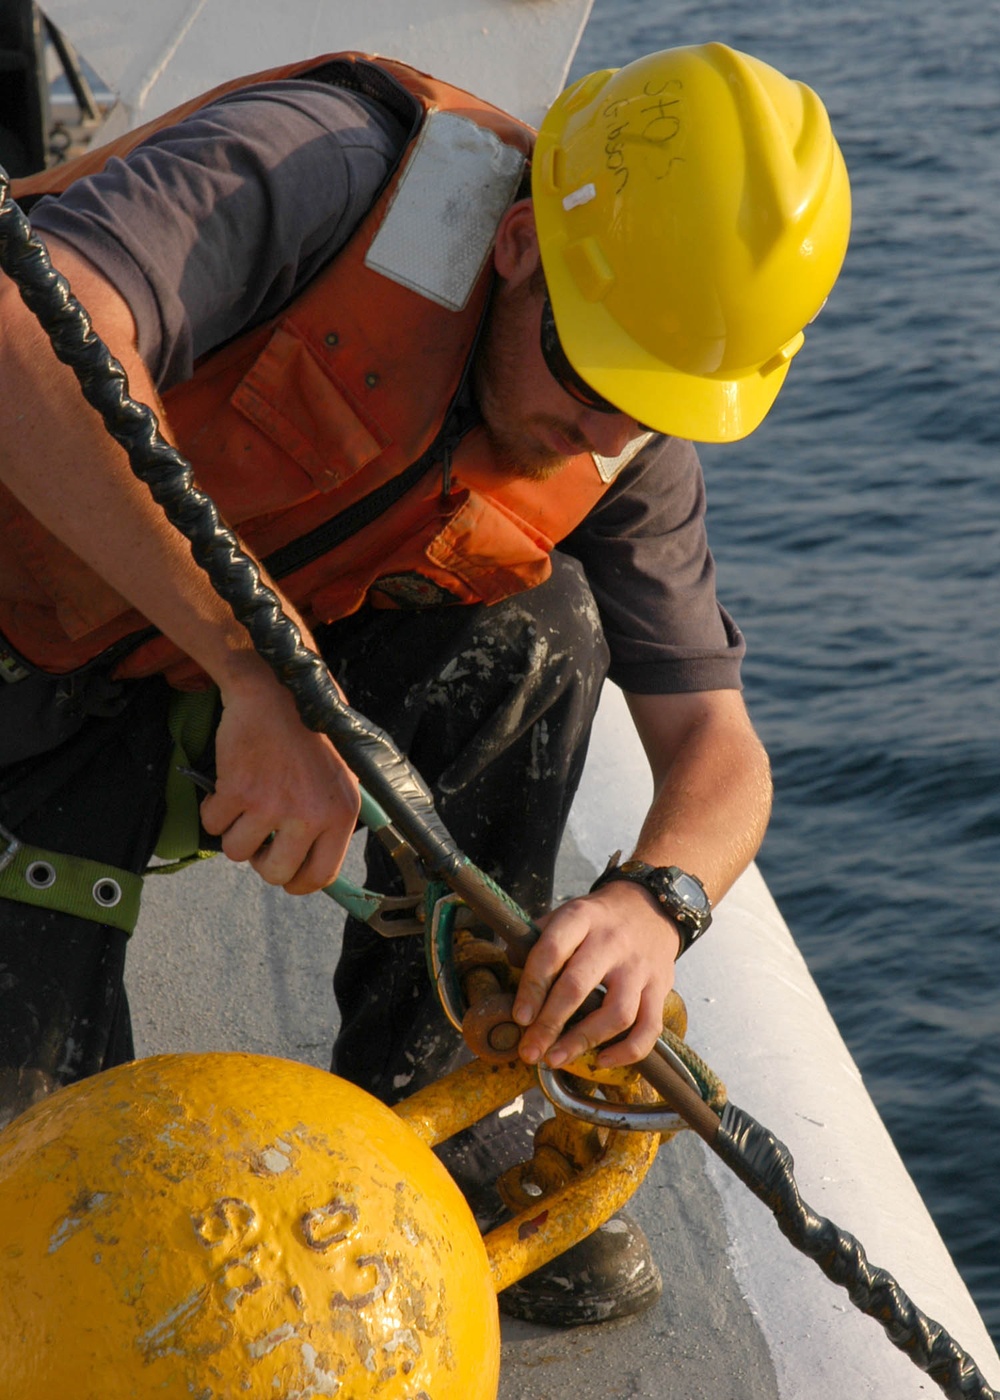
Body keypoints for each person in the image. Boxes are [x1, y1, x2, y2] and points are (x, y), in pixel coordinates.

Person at [0, 43, 850, 1325]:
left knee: (543, 629)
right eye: (594, 373)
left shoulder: (620, 442)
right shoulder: (317, 168)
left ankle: (430, 1112)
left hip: (156, 688)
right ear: (516, 246)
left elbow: (717, 749)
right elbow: (19, 338)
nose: (607, 434)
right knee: (47, 1230)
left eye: (657, 403)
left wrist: (654, 903)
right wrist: (253, 674)